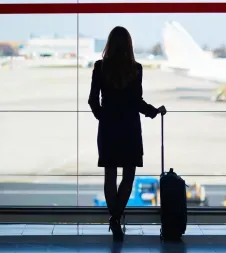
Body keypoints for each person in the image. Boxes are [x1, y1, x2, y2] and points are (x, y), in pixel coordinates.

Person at [88, 26, 167, 242]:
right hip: (130, 129)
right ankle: (115, 218)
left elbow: (93, 100)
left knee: (110, 176)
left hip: (109, 128)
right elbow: (137, 102)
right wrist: (154, 111)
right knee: (128, 176)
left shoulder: (100, 67)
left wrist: (103, 117)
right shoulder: (136, 69)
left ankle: (114, 219)